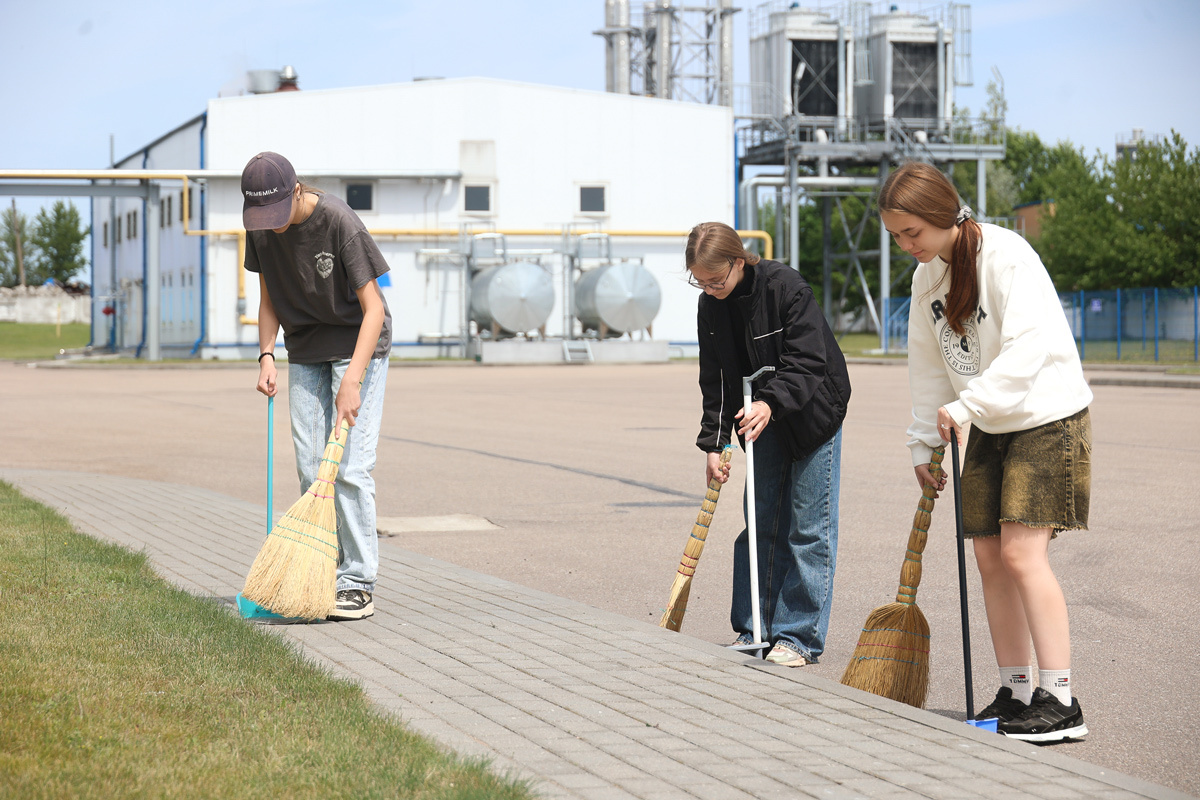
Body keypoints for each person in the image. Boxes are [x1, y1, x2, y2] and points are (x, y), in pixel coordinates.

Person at [879, 161, 1092, 743]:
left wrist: (966, 408)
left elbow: (1027, 352)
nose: (905, 246)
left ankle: (1062, 701)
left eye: (912, 233)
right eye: (895, 236)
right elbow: (928, 372)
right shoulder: (928, 281)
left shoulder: (1007, 256)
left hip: (1046, 416)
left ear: (944, 215)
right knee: (990, 559)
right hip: (987, 422)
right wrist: (923, 443)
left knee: (1022, 555)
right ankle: (1017, 690)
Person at [687, 221, 851, 667]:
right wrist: (715, 443)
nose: (709, 289)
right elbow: (716, 378)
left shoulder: (786, 287)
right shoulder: (711, 306)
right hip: (760, 418)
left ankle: (798, 636)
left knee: (807, 526)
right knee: (759, 522)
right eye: (699, 282)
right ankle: (754, 627)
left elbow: (808, 360)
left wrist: (770, 403)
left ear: (739, 261)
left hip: (813, 411)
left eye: (715, 279)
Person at [242, 151, 392, 622]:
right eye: (262, 217)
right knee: (311, 467)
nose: (272, 225)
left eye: (277, 213)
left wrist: (353, 379)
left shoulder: (339, 222)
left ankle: (358, 581)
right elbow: (269, 298)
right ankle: (320, 573)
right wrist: (266, 353)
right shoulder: (261, 226)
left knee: (348, 467)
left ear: (298, 191)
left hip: (357, 343)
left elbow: (376, 310)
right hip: (303, 347)